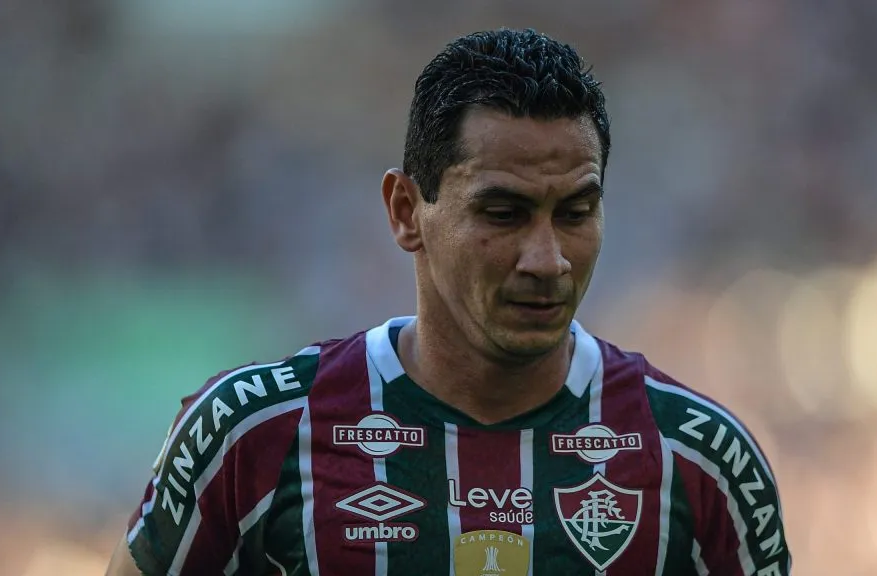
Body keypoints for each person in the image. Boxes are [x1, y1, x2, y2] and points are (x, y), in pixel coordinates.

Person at [107, 28, 792, 576]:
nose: (546, 259)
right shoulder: (253, 433)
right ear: (406, 211)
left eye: (576, 212)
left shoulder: (698, 458)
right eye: (503, 212)